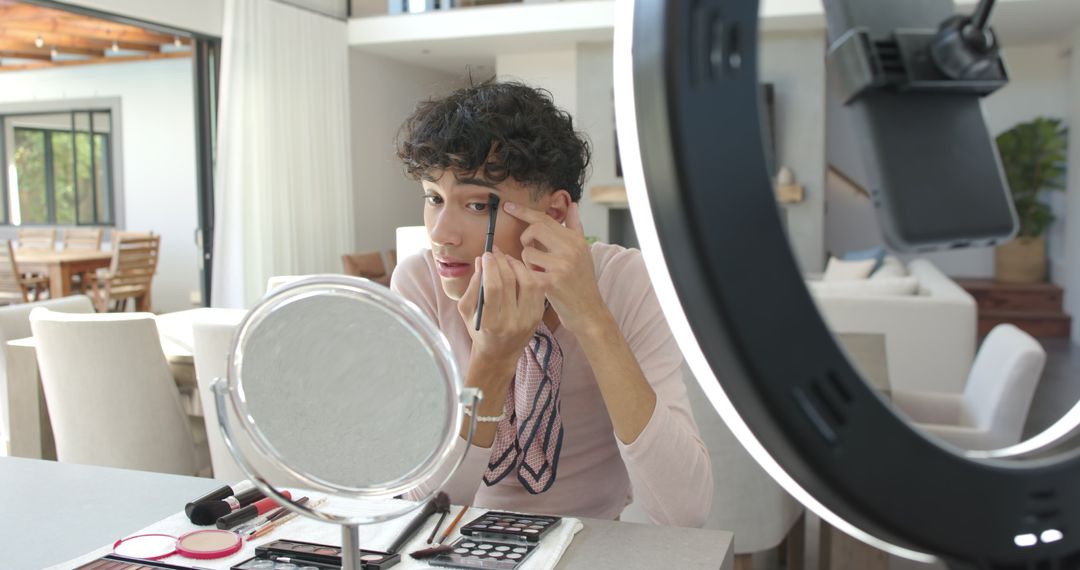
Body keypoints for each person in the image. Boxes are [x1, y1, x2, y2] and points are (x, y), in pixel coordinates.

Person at [391, 81, 712, 527]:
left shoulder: (627, 282)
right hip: (457, 545)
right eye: (434, 198)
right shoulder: (420, 284)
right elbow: (418, 508)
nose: (441, 233)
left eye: (478, 204)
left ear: (555, 213)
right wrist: (493, 359)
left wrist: (592, 319)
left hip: (592, 546)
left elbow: (684, 512)